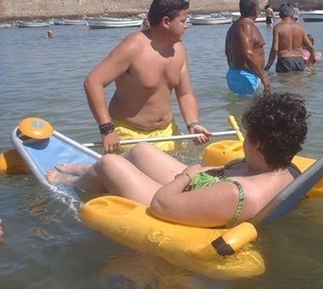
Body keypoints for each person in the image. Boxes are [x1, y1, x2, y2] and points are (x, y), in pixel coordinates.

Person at [46, 92, 308, 228]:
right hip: (203, 186)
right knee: (141, 150)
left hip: (177, 200)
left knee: (109, 164)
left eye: (248, 135)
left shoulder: (239, 194)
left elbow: (161, 205)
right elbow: (228, 176)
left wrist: (187, 176)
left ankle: (74, 182)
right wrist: (195, 172)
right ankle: (86, 169)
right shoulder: (286, 168)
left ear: (259, 143)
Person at [84, 0, 211, 154]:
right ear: (166, 22)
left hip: (167, 132)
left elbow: (185, 94)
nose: (187, 25)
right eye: (183, 21)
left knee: (187, 174)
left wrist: (193, 124)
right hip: (130, 135)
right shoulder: (133, 46)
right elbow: (93, 82)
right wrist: (107, 130)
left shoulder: (179, 50)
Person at [225, 0, 271, 96]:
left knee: (242, 109)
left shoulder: (234, 26)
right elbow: (248, 55)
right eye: (258, 7)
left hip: (239, 74)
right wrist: (264, 77)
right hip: (245, 76)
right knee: (246, 109)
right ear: (255, 9)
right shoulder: (246, 26)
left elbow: (227, 53)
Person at [264, 4, 315, 73]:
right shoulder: (300, 27)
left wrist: (269, 64)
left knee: (285, 82)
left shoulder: (278, 27)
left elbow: (275, 48)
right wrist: (313, 58)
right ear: (291, 14)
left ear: (280, 15)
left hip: (284, 60)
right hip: (299, 60)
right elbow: (310, 46)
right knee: (299, 83)